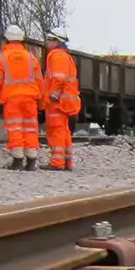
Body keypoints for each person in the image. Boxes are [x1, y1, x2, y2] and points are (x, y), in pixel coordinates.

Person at [0, 24, 42, 170]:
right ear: (22, 40)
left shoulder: (1, 59)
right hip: (30, 99)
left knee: (15, 127)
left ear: (7, 40)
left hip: (12, 99)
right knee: (31, 128)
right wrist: (41, 102)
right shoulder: (32, 58)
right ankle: (31, 160)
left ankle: (17, 159)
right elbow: (39, 82)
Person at [42, 27, 81, 171]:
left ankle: (57, 162)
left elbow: (59, 78)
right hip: (65, 101)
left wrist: (54, 95)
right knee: (63, 131)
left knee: (56, 131)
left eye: (49, 39)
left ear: (56, 41)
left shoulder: (57, 56)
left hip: (58, 102)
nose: (46, 42)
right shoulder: (64, 56)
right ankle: (67, 162)